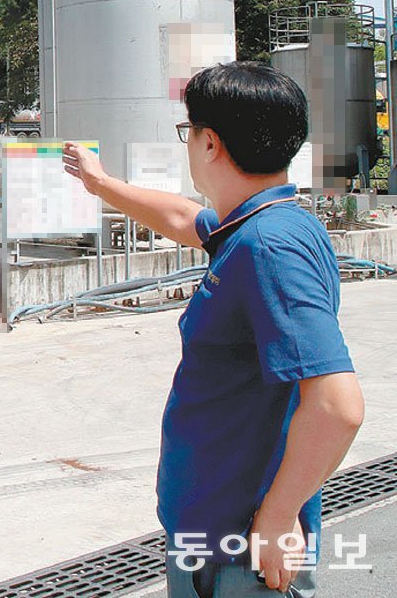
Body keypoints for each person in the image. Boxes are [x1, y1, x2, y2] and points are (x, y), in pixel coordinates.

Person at [62, 61, 364, 598]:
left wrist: (277, 516)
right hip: (216, 534)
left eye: (189, 130)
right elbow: (182, 218)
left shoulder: (268, 247)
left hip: (238, 548)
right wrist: (100, 183)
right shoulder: (264, 225)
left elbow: (337, 406)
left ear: (210, 145)